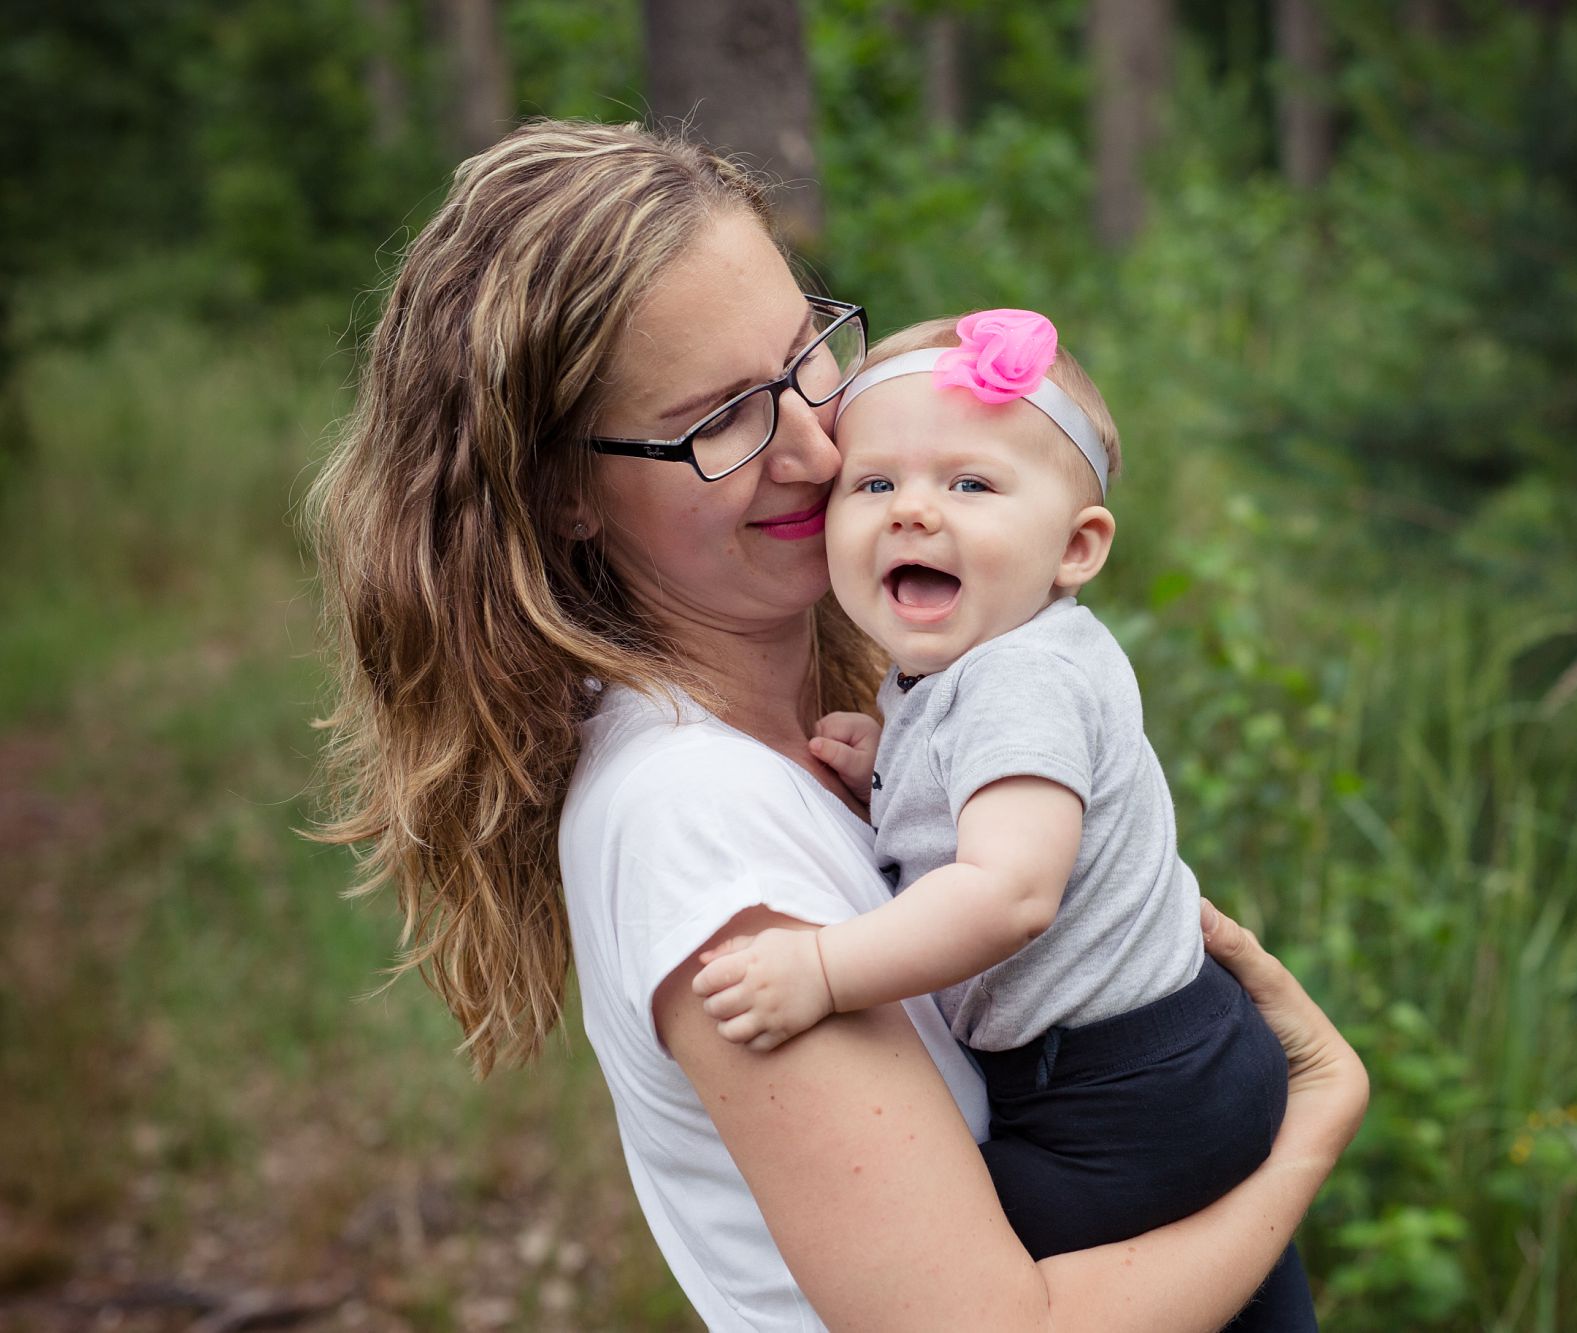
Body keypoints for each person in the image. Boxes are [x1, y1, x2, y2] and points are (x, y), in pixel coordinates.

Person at [310, 118, 1367, 1332]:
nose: (818, 446)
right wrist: (1306, 1131)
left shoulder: (879, 703)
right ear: (561, 494)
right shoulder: (693, 823)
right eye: (720, 420)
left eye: (808, 354)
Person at [686, 309, 1313, 1327]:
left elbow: (1011, 892)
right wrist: (895, 770)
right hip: (1169, 1064)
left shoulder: (1017, 676)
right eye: (874, 483)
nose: (912, 512)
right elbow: (986, 807)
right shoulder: (984, 665)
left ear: (1075, 547)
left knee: (960, 1270)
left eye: (969, 484)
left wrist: (822, 969)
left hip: (1120, 1094)